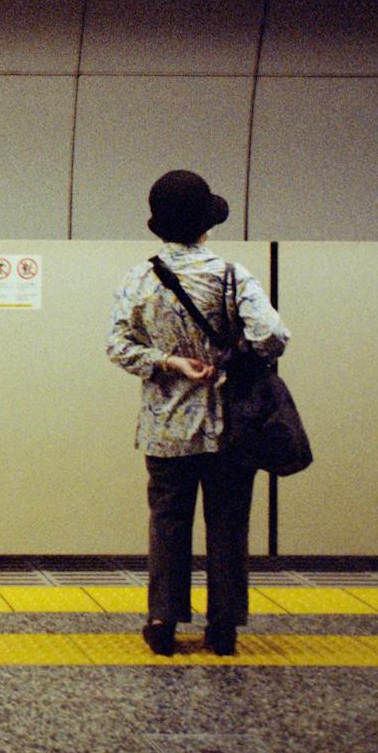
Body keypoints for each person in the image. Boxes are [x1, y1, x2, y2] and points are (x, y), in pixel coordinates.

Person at [106, 170, 289, 657]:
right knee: (228, 525)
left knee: (168, 523)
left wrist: (169, 361)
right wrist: (231, 355)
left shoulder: (140, 278)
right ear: (206, 225)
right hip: (230, 427)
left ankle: (164, 621)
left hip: (165, 429)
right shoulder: (232, 276)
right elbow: (274, 336)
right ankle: (223, 627)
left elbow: (118, 347)